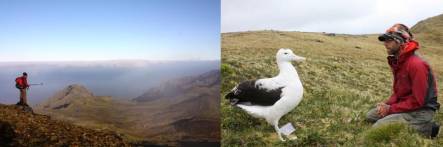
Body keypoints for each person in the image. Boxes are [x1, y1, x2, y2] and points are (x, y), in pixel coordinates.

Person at [366, 24, 440, 138]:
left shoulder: (416, 64)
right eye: (385, 40)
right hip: (405, 106)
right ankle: (406, 121)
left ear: (400, 41)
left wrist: (390, 110)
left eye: (389, 40)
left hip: (421, 110)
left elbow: (418, 101)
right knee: (370, 116)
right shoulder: (400, 62)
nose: (385, 44)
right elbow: (399, 93)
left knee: (379, 127)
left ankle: (430, 128)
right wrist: (387, 104)